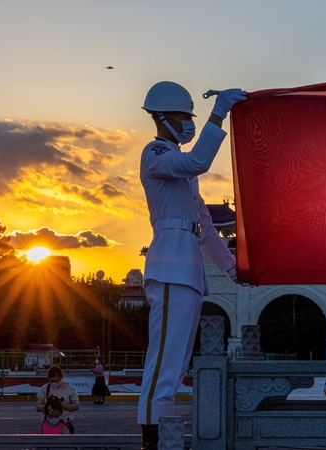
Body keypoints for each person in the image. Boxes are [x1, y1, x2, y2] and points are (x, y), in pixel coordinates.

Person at [137, 81, 246, 450]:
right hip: (170, 268)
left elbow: (206, 227)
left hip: (187, 271)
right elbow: (198, 159)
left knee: (176, 365)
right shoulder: (156, 153)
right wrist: (219, 115)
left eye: (191, 116)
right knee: (164, 365)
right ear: (163, 118)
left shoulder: (184, 172)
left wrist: (232, 268)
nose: (189, 123)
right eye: (184, 116)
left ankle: (162, 439)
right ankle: (151, 443)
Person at [36, 366, 79, 432]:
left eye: (57, 380)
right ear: (48, 378)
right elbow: (38, 407)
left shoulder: (70, 389)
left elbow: (76, 406)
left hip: (65, 423)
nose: (54, 383)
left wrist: (62, 406)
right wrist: (48, 406)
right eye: (52, 381)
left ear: (61, 378)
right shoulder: (44, 388)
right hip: (48, 423)